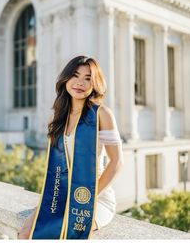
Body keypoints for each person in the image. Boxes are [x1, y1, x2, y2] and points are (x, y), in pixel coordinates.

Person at [18, 55, 124, 239]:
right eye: (75, 75)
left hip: (95, 198)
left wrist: (88, 198)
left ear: (95, 84)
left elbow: (117, 162)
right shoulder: (57, 119)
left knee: (62, 232)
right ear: (66, 78)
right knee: (26, 232)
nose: (80, 82)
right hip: (61, 196)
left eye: (88, 78)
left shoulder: (101, 114)